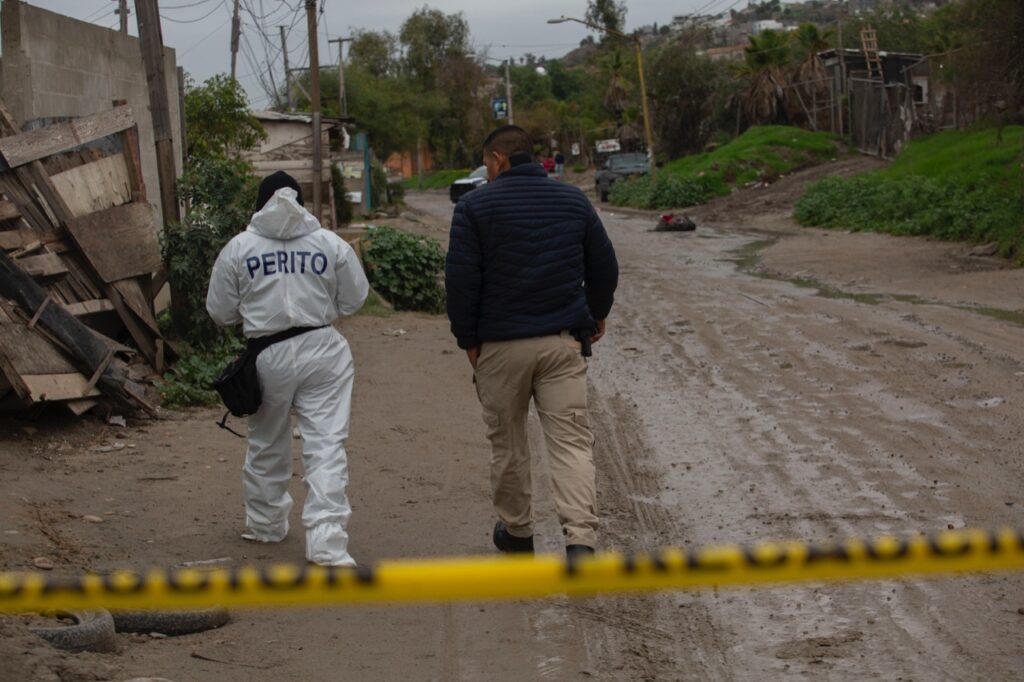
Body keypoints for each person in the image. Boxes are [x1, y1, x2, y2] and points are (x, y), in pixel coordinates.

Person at [445, 126, 619, 560]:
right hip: (562, 345)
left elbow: (461, 283)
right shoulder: (574, 200)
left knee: (508, 442)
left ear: (499, 159)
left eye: (486, 163)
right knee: (572, 442)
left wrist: (469, 340)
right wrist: (597, 311)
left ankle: (519, 534)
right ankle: (580, 541)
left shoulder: (473, 207)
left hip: (501, 347)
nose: (486, 172)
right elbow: (605, 266)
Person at [207, 171, 369, 567]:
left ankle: (266, 524)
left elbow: (221, 311)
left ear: (259, 204)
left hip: (267, 354)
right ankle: (328, 543)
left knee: (267, 439)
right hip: (323, 349)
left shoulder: (239, 247)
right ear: (300, 202)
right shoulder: (330, 243)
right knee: (326, 443)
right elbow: (355, 298)